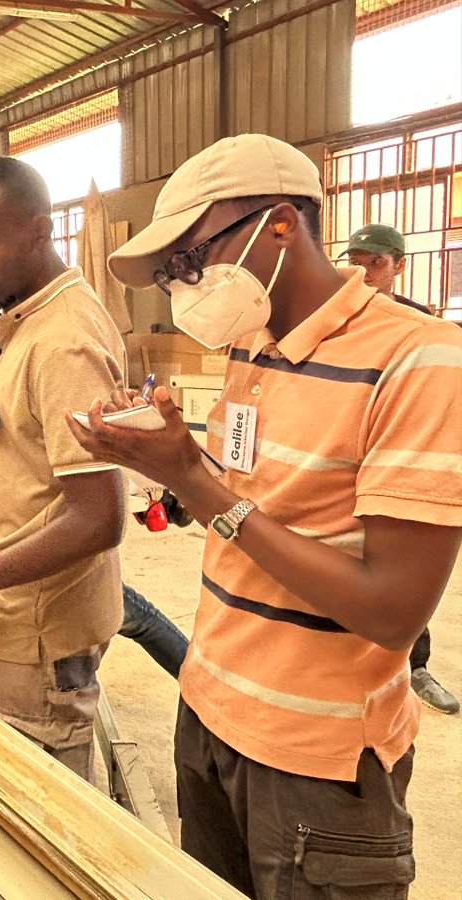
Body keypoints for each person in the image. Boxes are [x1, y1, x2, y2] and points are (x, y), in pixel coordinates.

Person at [71, 133, 462, 898]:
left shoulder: (421, 359)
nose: (183, 286)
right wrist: (169, 466)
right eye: (171, 272)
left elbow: (392, 610)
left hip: (316, 759)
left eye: (191, 260)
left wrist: (197, 481)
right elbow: (244, 499)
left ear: (280, 224)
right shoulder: (252, 346)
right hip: (207, 713)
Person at [0, 157, 127, 783]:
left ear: (39, 231)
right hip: (25, 611)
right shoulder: (32, 322)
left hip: (44, 623)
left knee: (51, 796)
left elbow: (97, 518)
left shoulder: (62, 340)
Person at [342, 224, 458, 715]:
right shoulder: (336, 322)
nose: (364, 272)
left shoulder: (420, 327)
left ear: (399, 266)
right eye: (356, 262)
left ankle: (416, 666)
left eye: (376, 263)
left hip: (400, 459)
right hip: (346, 456)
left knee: (405, 569)